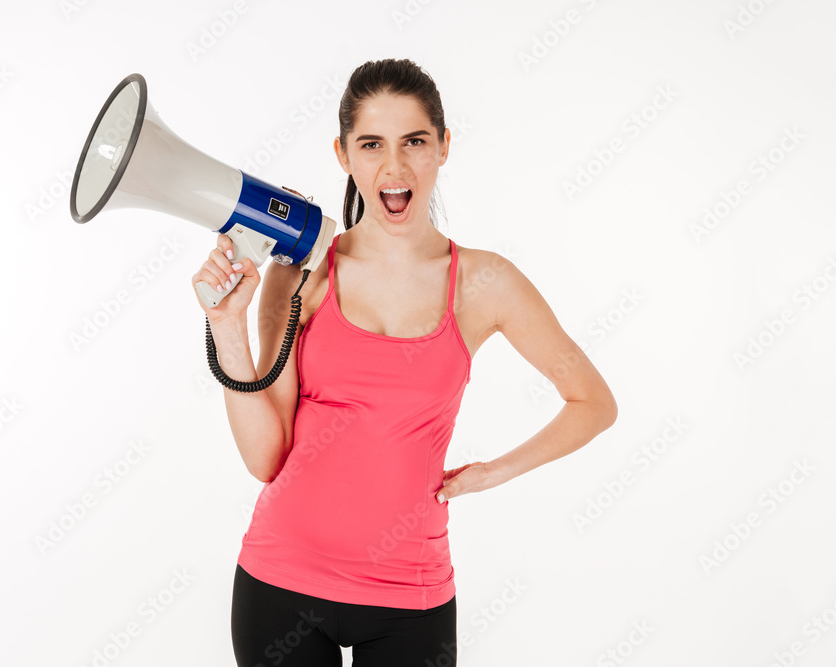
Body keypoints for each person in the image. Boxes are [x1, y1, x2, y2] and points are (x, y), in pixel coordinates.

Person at [192, 58, 617, 667]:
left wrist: (491, 473)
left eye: (414, 141)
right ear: (343, 154)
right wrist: (226, 326)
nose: (394, 167)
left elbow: (593, 403)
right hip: (279, 583)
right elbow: (267, 458)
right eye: (372, 145)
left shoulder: (484, 282)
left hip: (409, 600)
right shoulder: (301, 274)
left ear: (444, 147)